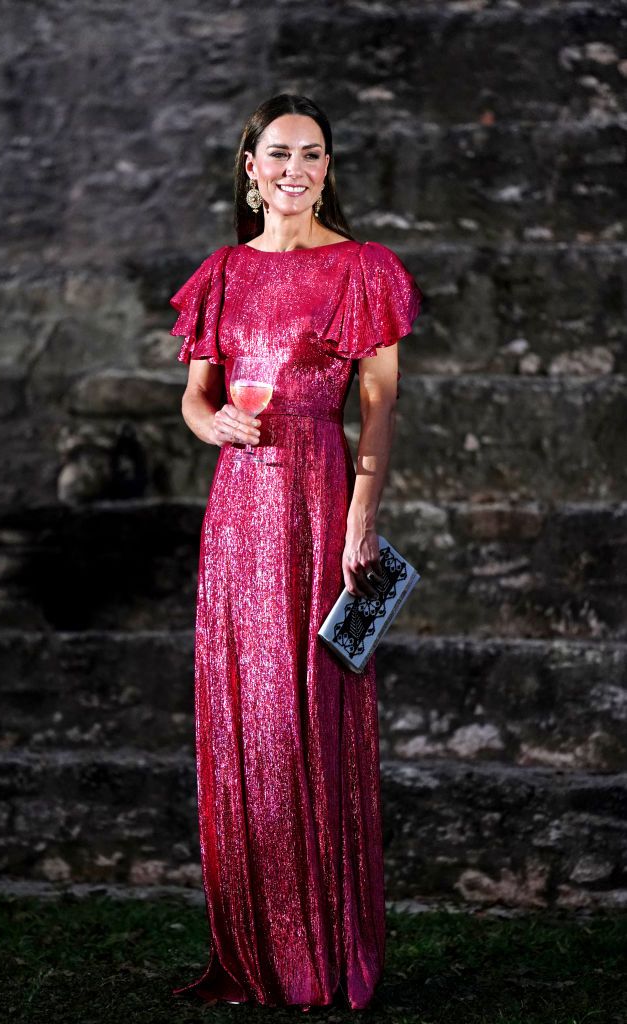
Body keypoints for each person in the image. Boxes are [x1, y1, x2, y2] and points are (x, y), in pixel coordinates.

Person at [169, 93, 423, 1012]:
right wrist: (212, 424)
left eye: (311, 154)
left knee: (312, 707)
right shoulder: (223, 273)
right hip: (238, 508)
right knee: (251, 711)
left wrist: (362, 515)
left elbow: (380, 405)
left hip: (320, 495)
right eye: (277, 152)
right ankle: (257, 943)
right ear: (249, 166)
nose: (294, 168)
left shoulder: (363, 268)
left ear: (327, 167)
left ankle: (322, 947)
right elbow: (195, 399)